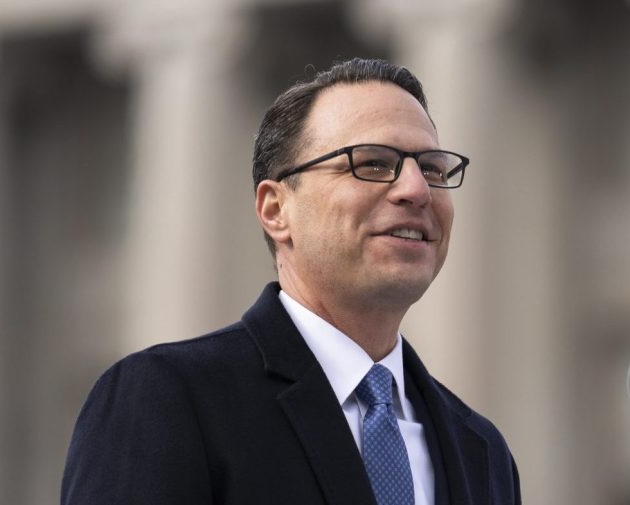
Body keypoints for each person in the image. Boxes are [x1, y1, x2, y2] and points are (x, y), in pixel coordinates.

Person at [61, 57, 520, 505]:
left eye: (434, 169)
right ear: (276, 210)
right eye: (374, 163)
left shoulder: (481, 450)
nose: (417, 190)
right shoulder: (168, 401)